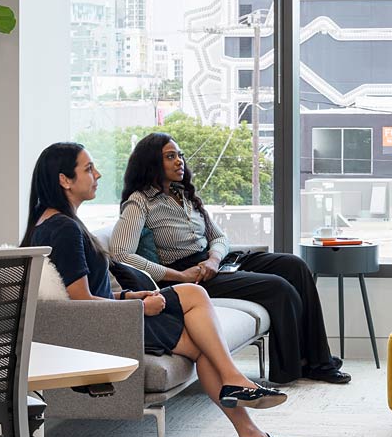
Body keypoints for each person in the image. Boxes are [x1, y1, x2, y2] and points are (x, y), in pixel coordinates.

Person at [21, 142, 296, 437]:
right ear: (64, 180)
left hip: (110, 317)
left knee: (199, 321)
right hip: (112, 328)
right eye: (88, 168)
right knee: (197, 310)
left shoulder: (48, 222)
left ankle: (249, 426)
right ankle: (242, 406)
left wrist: (128, 295)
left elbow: (82, 293)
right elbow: (83, 303)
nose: (97, 174)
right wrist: (139, 307)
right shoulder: (64, 228)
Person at [110, 133, 350, 385]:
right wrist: (180, 277)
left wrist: (214, 258)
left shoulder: (184, 195)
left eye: (179, 155)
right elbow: (121, 254)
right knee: (278, 288)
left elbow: (220, 237)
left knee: (295, 265)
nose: (179, 161)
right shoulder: (139, 202)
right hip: (190, 275)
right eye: (170, 157)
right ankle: (294, 367)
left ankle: (318, 360)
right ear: (151, 163)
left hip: (214, 262)